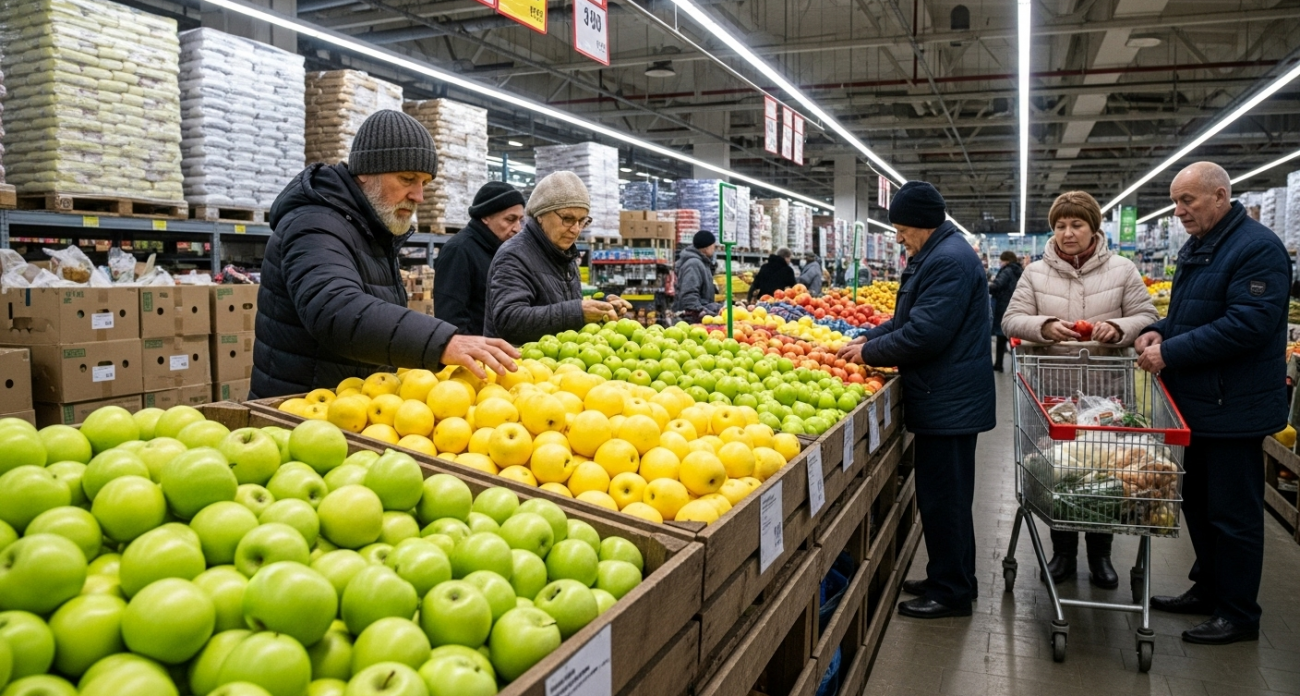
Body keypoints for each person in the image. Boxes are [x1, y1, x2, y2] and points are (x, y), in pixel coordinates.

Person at [252, 110, 518, 398]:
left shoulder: (370, 229)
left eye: (424, 183)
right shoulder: (315, 224)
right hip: (297, 413)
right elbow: (336, 309)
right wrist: (443, 342)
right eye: (407, 178)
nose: (419, 196)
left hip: (350, 407)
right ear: (365, 171)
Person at [1135, 162, 1289, 645]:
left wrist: (1170, 352)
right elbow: (1192, 314)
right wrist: (1161, 330)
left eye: (1188, 201)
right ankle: (1209, 589)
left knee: (1233, 515)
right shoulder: (1201, 246)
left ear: (1220, 196)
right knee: (1198, 505)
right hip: (1199, 404)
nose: (1179, 211)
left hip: (1233, 406)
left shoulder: (1257, 249)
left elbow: (1248, 325)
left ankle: (1239, 612)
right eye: (1176, 202)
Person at [838, 181, 996, 619]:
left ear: (923, 225)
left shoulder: (947, 261)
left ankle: (951, 593)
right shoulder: (938, 254)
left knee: (944, 500)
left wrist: (869, 353)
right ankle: (953, 575)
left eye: (902, 228)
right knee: (947, 498)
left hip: (949, 402)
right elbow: (909, 319)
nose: (898, 237)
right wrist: (870, 336)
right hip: (947, 398)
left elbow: (926, 334)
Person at [1001, 191, 1159, 588]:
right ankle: (1063, 551)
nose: (1067, 233)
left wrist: (1120, 328)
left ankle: (1101, 555)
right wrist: (1044, 326)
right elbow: (1011, 319)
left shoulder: (1123, 269)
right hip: (1053, 390)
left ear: (1094, 228)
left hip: (1108, 392)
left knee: (1105, 470)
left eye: (1076, 224)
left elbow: (1148, 316)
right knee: (1061, 470)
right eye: (1060, 225)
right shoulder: (1035, 272)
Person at [485, 171, 631, 344]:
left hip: (554, 364)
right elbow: (509, 320)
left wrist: (600, 307)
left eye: (582, 221)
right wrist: (578, 312)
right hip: (518, 366)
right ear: (540, 215)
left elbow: (557, 308)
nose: (576, 229)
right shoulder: (514, 256)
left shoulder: (563, 254)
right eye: (568, 219)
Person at [433, 181, 526, 335]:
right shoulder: (459, 251)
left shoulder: (504, 251)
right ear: (485, 217)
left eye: (520, 220)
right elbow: (450, 318)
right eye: (510, 219)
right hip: (476, 354)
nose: (517, 228)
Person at [673, 230, 721, 321]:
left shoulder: (702, 263)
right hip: (692, 321)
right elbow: (689, 294)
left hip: (700, 318)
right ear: (706, 247)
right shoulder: (694, 264)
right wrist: (701, 313)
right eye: (713, 246)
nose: (714, 249)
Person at [988, 250, 1023, 372]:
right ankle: (1016, 366)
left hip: (1004, 307)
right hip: (1015, 306)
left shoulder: (1007, 271)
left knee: (1001, 337)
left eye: (1001, 261)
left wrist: (985, 286)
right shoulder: (1019, 271)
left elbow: (998, 285)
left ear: (1006, 261)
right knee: (1012, 338)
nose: (1000, 263)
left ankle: (998, 364)